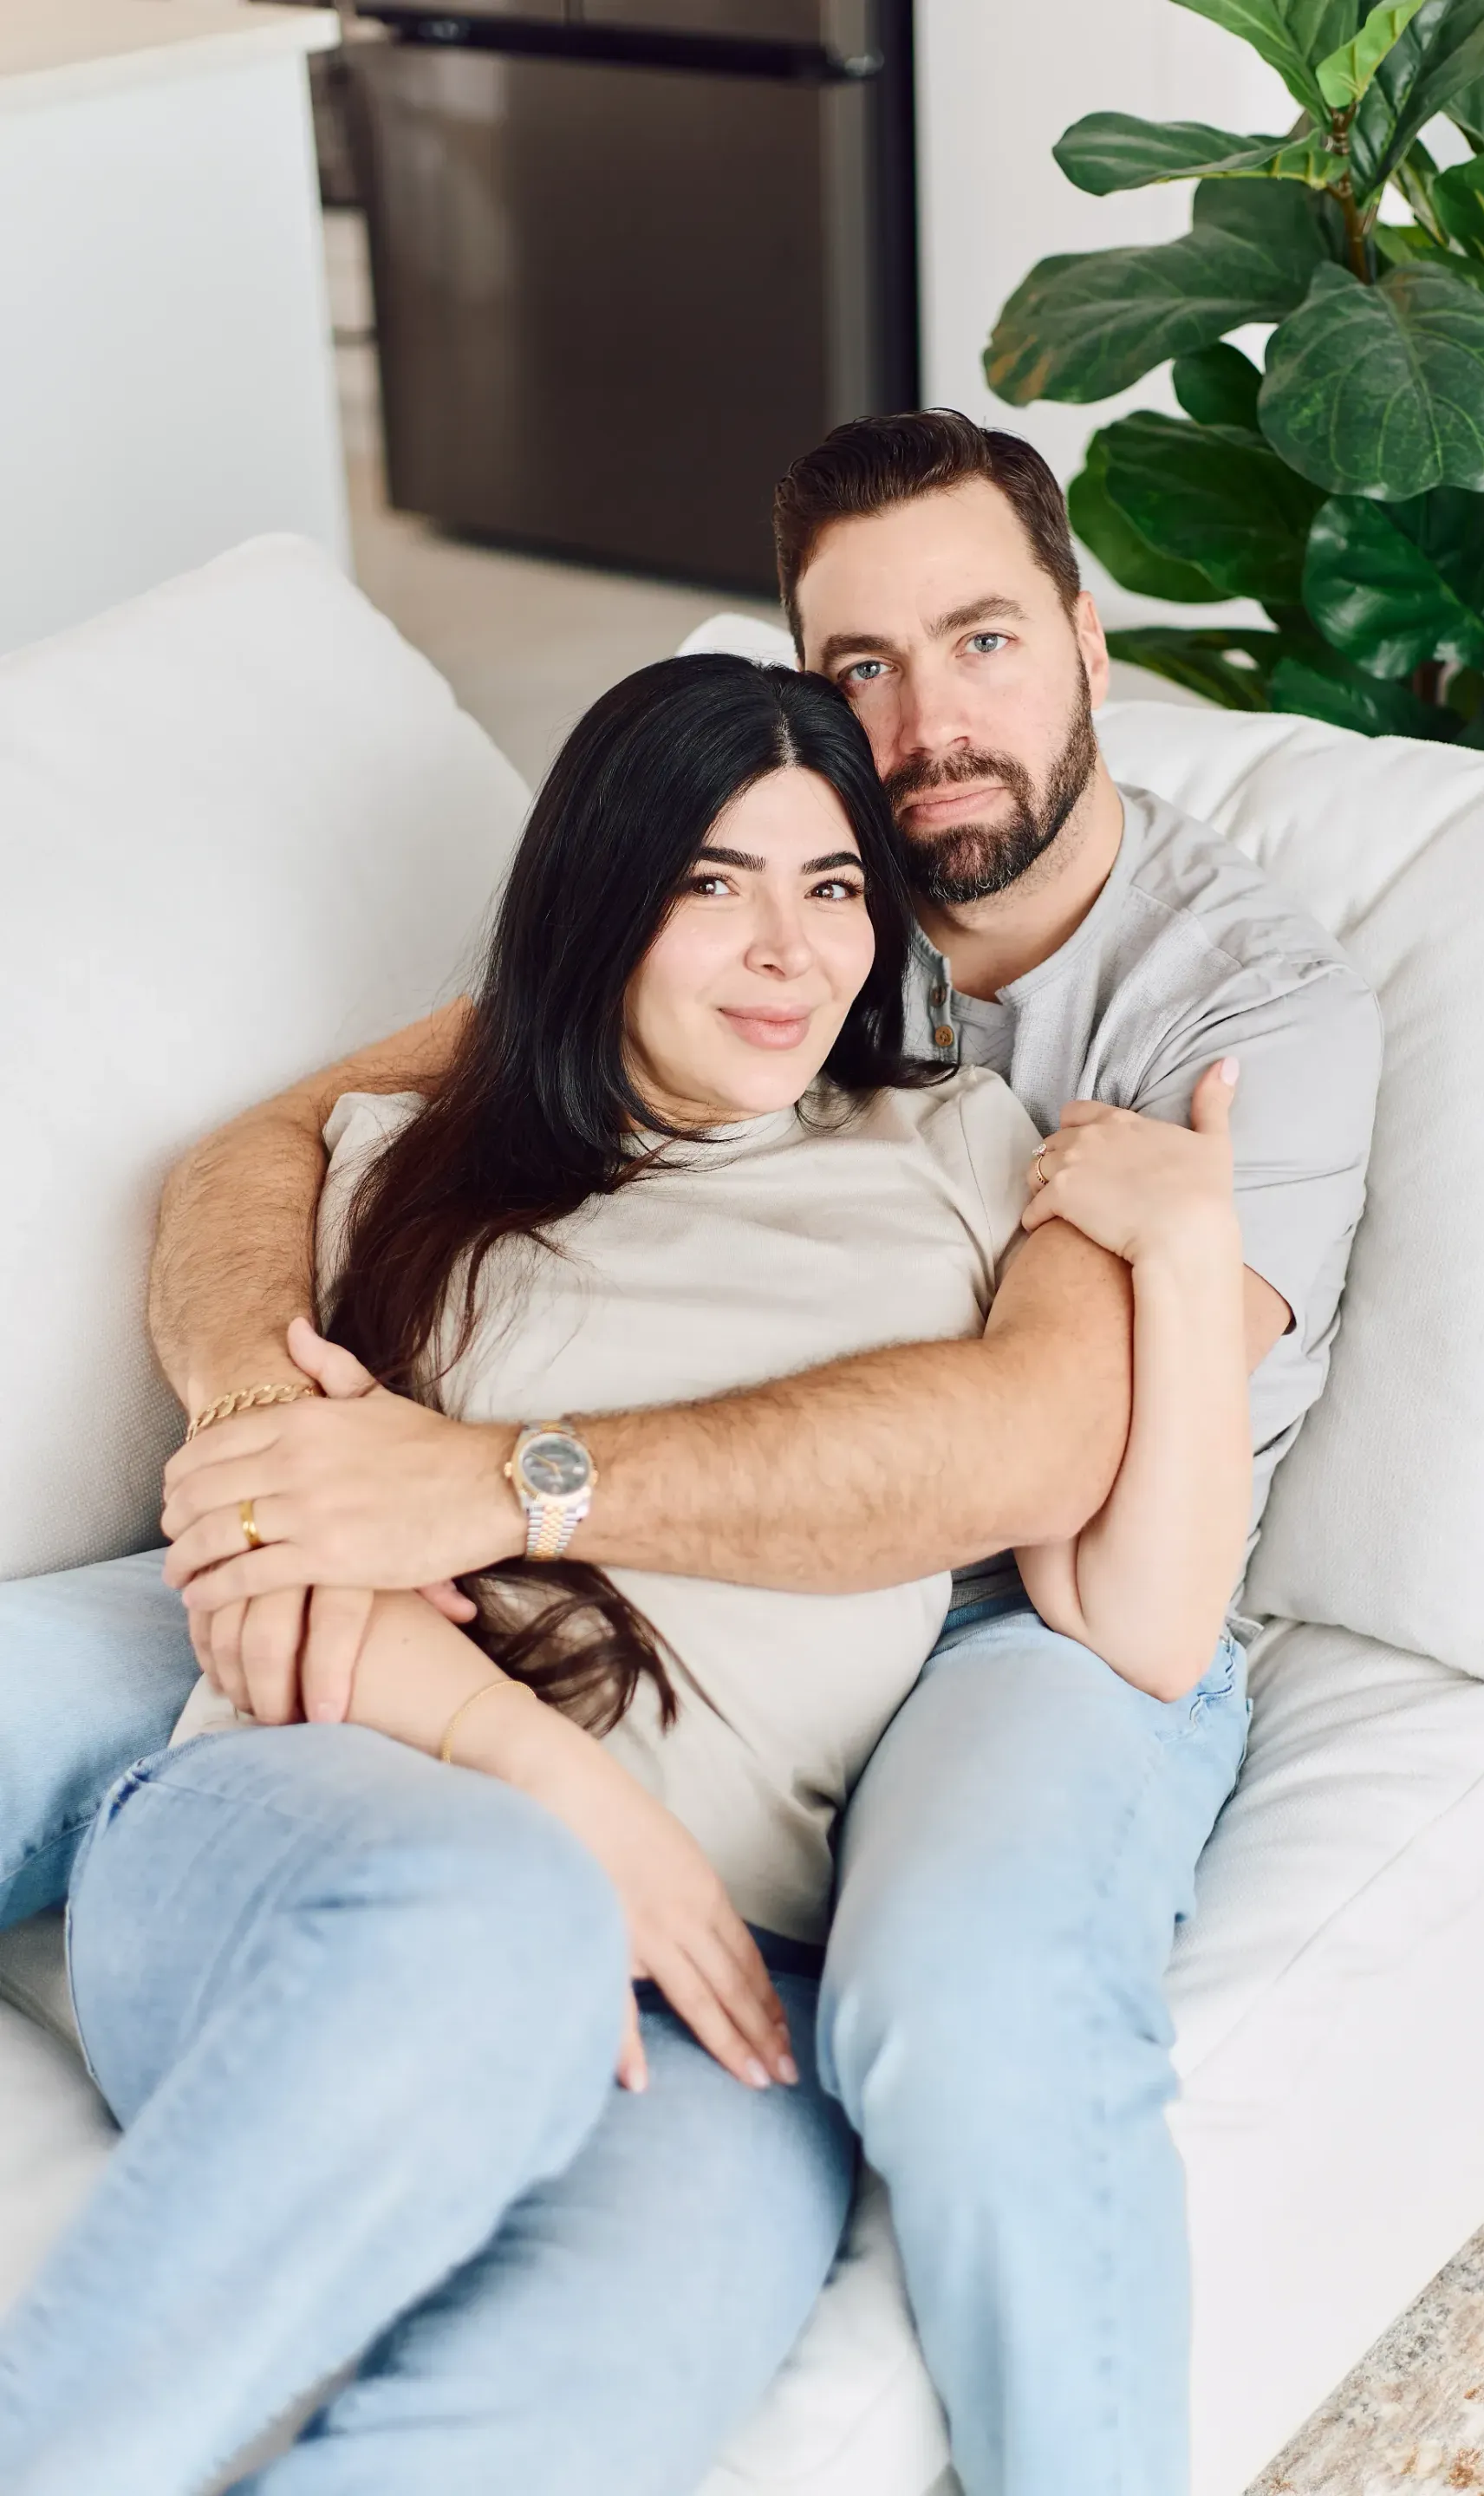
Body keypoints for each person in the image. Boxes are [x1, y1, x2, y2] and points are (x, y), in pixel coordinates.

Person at [0, 410, 1381, 2496]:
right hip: (433, 1788)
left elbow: (1061, 1484)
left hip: (975, 1639)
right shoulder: (534, 1108)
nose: (923, 727)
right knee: (371, 1851)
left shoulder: (1142, 1060)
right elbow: (271, 1186)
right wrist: (300, 1443)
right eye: (864, 671)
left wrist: (501, 1487)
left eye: (987, 641)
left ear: (1094, 646)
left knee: (790, 2182)